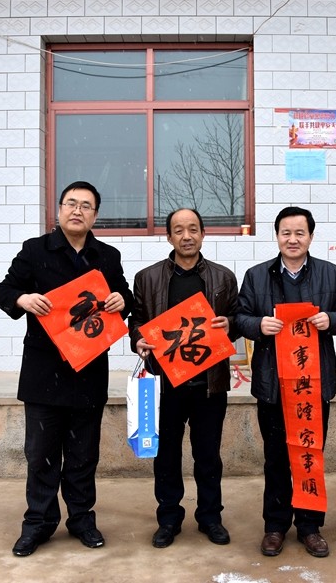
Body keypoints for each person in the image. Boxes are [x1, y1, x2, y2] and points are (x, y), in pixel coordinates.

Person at [0, 181, 134, 557]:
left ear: (95, 216)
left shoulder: (107, 256)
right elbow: (3, 292)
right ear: (59, 210)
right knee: (40, 455)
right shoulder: (35, 250)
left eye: (86, 206)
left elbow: (125, 296)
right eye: (71, 203)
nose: (77, 210)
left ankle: (81, 520)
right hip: (44, 371)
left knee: (83, 455)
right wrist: (23, 299)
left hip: (89, 370)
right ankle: (38, 523)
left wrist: (122, 300)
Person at [235, 206, 336, 559]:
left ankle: (310, 527)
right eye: (286, 233)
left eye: (300, 233)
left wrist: (331, 319)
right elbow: (239, 317)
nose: (293, 239)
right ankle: (275, 526)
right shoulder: (256, 276)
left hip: (313, 385)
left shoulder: (330, 274)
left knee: (310, 455)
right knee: (275, 459)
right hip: (273, 384)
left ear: (311, 237)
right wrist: (258, 325)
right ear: (277, 236)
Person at [129, 208, 240, 549]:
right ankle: (169, 519)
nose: (186, 236)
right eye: (179, 230)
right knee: (166, 456)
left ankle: (210, 517)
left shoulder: (223, 278)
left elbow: (237, 318)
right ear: (169, 237)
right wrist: (138, 339)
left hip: (209, 384)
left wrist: (230, 325)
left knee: (208, 455)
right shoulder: (147, 278)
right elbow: (136, 321)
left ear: (203, 234)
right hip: (165, 384)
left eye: (193, 229)